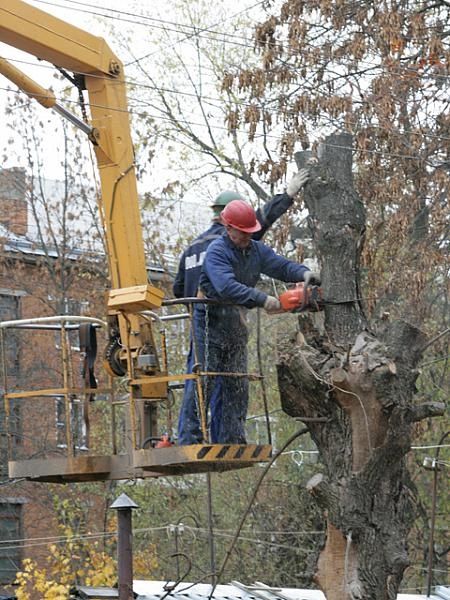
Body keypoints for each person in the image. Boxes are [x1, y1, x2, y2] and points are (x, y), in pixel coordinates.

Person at [175, 171, 310, 445]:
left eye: (251, 233)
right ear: (228, 227)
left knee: (237, 381)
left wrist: (304, 272)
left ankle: (231, 438)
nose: (248, 237)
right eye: (243, 233)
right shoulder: (216, 251)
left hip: (234, 322)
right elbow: (225, 287)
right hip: (209, 321)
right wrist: (263, 300)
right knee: (204, 379)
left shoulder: (251, 247)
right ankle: (190, 438)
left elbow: (280, 265)